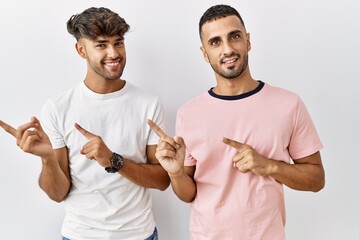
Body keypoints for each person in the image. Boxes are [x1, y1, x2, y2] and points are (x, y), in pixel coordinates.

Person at [147, 4, 325, 240]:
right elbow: (188, 194)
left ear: (248, 41)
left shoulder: (288, 104)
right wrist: (177, 173)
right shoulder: (189, 113)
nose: (227, 49)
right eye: (215, 42)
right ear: (204, 53)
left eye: (235, 37)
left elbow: (316, 179)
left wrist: (270, 166)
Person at [0, 7, 169, 240]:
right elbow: (58, 193)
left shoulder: (148, 104)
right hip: (79, 235)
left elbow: (162, 180)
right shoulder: (58, 108)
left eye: (118, 43)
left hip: (139, 235)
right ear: (81, 50)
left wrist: (113, 160)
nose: (113, 53)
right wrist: (48, 158)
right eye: (101, 45)